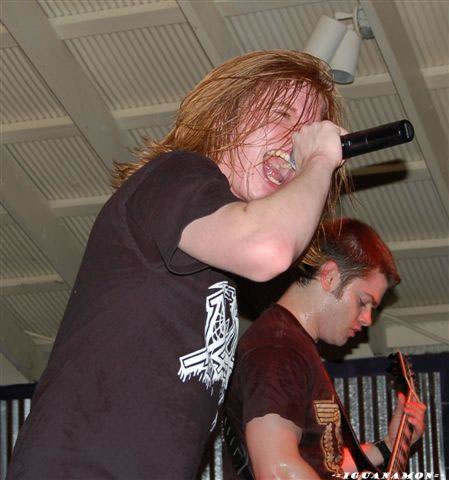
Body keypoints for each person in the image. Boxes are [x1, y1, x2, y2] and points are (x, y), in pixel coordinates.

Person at [7, 50, 349, 479]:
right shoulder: (176, 175)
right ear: (225, 118)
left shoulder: (215, 264)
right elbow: (268, 249)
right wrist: (320, 160)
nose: (295, 144)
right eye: (281, 115)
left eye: (305, 133)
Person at [223, 217, 426, 480]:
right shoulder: (278, 349)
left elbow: (322, 466)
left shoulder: (294, 348)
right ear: (330, 276)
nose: (367, 319)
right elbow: (277, 471)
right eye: (363, 301)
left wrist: (388, 445)